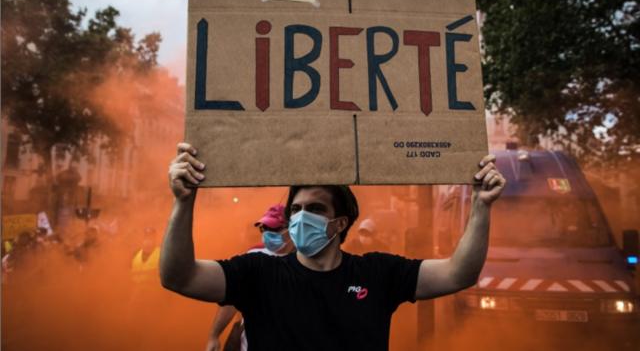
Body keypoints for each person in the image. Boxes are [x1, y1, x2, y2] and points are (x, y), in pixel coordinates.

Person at [161, 143, 506, 351]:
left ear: (340, 224)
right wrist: (183, 201)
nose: (300, 218)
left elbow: (460, 272)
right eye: (295, 210)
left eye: (315, 209)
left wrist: (481, 205)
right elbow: (178, 277)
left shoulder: (378, 273)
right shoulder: (258, 273)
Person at [205, 204, 294, 351]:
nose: (266, 234)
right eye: (263, 229)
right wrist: (214, 335)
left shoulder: (309, 260)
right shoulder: (254, 255)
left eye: (274, 229)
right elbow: (232, 299)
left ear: (292, 229)